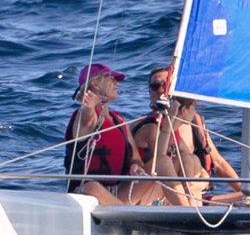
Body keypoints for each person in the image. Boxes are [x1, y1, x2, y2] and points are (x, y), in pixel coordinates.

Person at [63, 62, 181, 206]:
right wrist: (89, 107)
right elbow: (87, 120)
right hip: (88, 193)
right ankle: (131, 217)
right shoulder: (83, 116)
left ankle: (190, 212)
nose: (116, 83)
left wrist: (135, 166)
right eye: (112, 79)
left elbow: (135, 157)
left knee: (164, 162)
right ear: (95, 84)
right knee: (91, 186)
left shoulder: (118, 119)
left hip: (119, 191)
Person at [132, 66, 198, 205]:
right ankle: (189, 211)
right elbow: (160, 163)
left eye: (166, 85)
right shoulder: (150, 128)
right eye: (156, 86)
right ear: (150, 92)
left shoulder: (176, 131)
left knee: (188, 158)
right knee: (173, 161)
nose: (162, 90)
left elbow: (192, 163)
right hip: (143, 193)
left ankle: (192, 206)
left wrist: (197, 185)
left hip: (165, 190)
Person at [173, 96, 242, 204]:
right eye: (193, 107)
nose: (195, 111)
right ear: (184, 110)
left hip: (200, 196)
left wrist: (244, 190)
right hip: (176, 198)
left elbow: (218, 162)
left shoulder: (196, 124)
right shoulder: (163, 131)